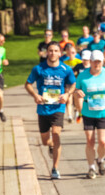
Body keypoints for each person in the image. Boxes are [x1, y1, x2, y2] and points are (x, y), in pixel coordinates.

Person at [25, 40, 76, 180]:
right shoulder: (39, 69)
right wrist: (35, 95)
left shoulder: (66, 69)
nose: (53, 53)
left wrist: (67, 94)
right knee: (45, 141)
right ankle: (51, 146)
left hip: (58, 107)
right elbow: (28, 84)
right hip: (43, 108)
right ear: (47, 52)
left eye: (55, 51)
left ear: (60, 53)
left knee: (56, 134)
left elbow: (73, 84)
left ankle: (55, 168)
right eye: (50, 51)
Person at [74, 49, 105, 179]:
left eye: (99, 62)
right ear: (90, 62)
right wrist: (77, 93)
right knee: (90, 141)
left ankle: (100, 160)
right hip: (88, 111)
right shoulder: (83, 76)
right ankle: (91, 167)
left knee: (103, 142)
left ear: (103, 62)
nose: (96, 64)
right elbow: (77, 89)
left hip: (104, 111)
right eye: (94, 62)